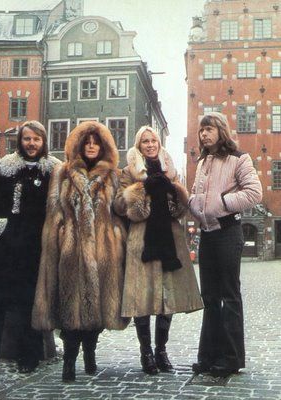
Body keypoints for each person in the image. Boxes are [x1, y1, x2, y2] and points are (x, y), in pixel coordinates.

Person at [0, 121, 61, 383]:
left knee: (29, 302)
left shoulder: (53, 170)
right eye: (27, 139)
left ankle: (28, 357)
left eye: (36, 139)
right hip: (5, 243)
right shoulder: (5, 167)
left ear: (43, 142)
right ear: (20, 140)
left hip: (34, 245)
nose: (31, 144)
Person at [32, 121, 129, 382]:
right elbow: (53, 212)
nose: (91, 147)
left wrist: (116, 238)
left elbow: (119, 213)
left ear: (103, 146)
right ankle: (69, 362)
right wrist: (60, 238)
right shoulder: (62, 173)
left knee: (96, 312)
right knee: (69, 309)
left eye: (96, 142)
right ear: (78, 145)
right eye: (86, 142)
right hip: (71, 252)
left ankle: (90, 353)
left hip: (103, 251)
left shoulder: (112, 175)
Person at [114, 126, 203, 375]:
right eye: (145, 141)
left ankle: (162, 350)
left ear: (159, 143)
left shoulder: (171, 172)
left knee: (168, 295)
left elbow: (180, 208)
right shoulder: (127, 172)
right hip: (141, 240)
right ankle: (146, 353)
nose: (151, 144)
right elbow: (119, 206)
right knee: (142, 297)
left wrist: (174, 192)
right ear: (138, 145)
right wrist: (142, 189)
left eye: (154, 140)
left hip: (170, 239)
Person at [189, 112, 262, 378]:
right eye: (201, 130)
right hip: (207, 234)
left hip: (229, 232)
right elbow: (198, 194)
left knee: (230, 296)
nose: (204, 134)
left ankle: (231, 358)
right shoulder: (203, 162)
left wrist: (222, 203)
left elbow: (255, 193)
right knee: (209, 297)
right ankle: (207, 356)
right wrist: (192, 205)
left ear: (221, 130)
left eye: (208, 129)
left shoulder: (239, 159)